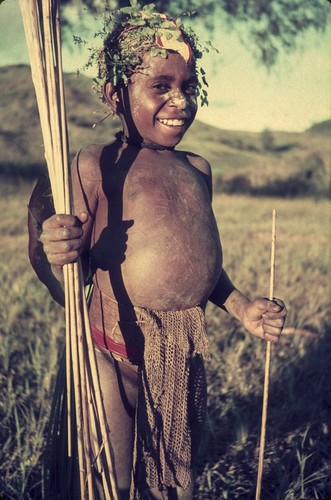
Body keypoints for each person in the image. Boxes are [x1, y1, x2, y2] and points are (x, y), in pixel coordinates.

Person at [28, 5, 287, 499]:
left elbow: (203, 267)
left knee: (173, 479)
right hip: (112, 349)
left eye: (188, 86)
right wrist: (56, 248)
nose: (180, 101)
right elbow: (56, 268)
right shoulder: (91, 166)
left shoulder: (197, 168)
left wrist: (242, 306)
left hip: (180, 356)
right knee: (113, 480)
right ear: (115, 94)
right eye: (161, 86)